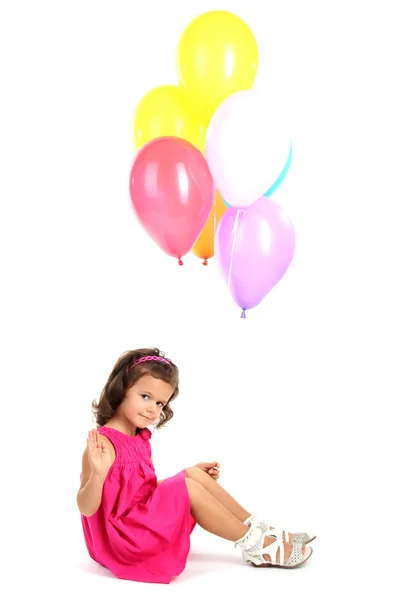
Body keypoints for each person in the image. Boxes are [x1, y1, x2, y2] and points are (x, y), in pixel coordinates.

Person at [77, 348, 314, 584]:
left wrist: (184, 479)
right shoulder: (102, 445)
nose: (152, 409)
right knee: (187, 488)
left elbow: (138, 493)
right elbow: (86, 507)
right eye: (145, 396)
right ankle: (254, 544)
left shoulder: (140, 438)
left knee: (192, 475)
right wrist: (97, 476)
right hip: (123, 539)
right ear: (121, 390)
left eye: (160, 403)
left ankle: (261, 528)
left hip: (137, 524)